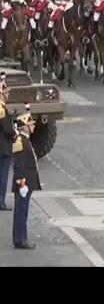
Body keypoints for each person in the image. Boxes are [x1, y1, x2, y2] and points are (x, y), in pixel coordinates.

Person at [11, 105, 42, 249]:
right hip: (24, 183)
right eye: (31, 125)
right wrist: (22, 184)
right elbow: (19, 165)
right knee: (21, 212)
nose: (34, 127)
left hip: (27, 182)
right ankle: (20, 240)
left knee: (22, 211)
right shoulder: (21, 142)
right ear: (26, 127)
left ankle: (20, 238)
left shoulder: (25, 140)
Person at [0, 78, 15, 211]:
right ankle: (1, 201)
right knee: (3, 176)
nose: (7, 95)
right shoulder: (2, 109)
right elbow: (7, 129)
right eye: (6, 93)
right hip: (3, 147)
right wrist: (14, 132)